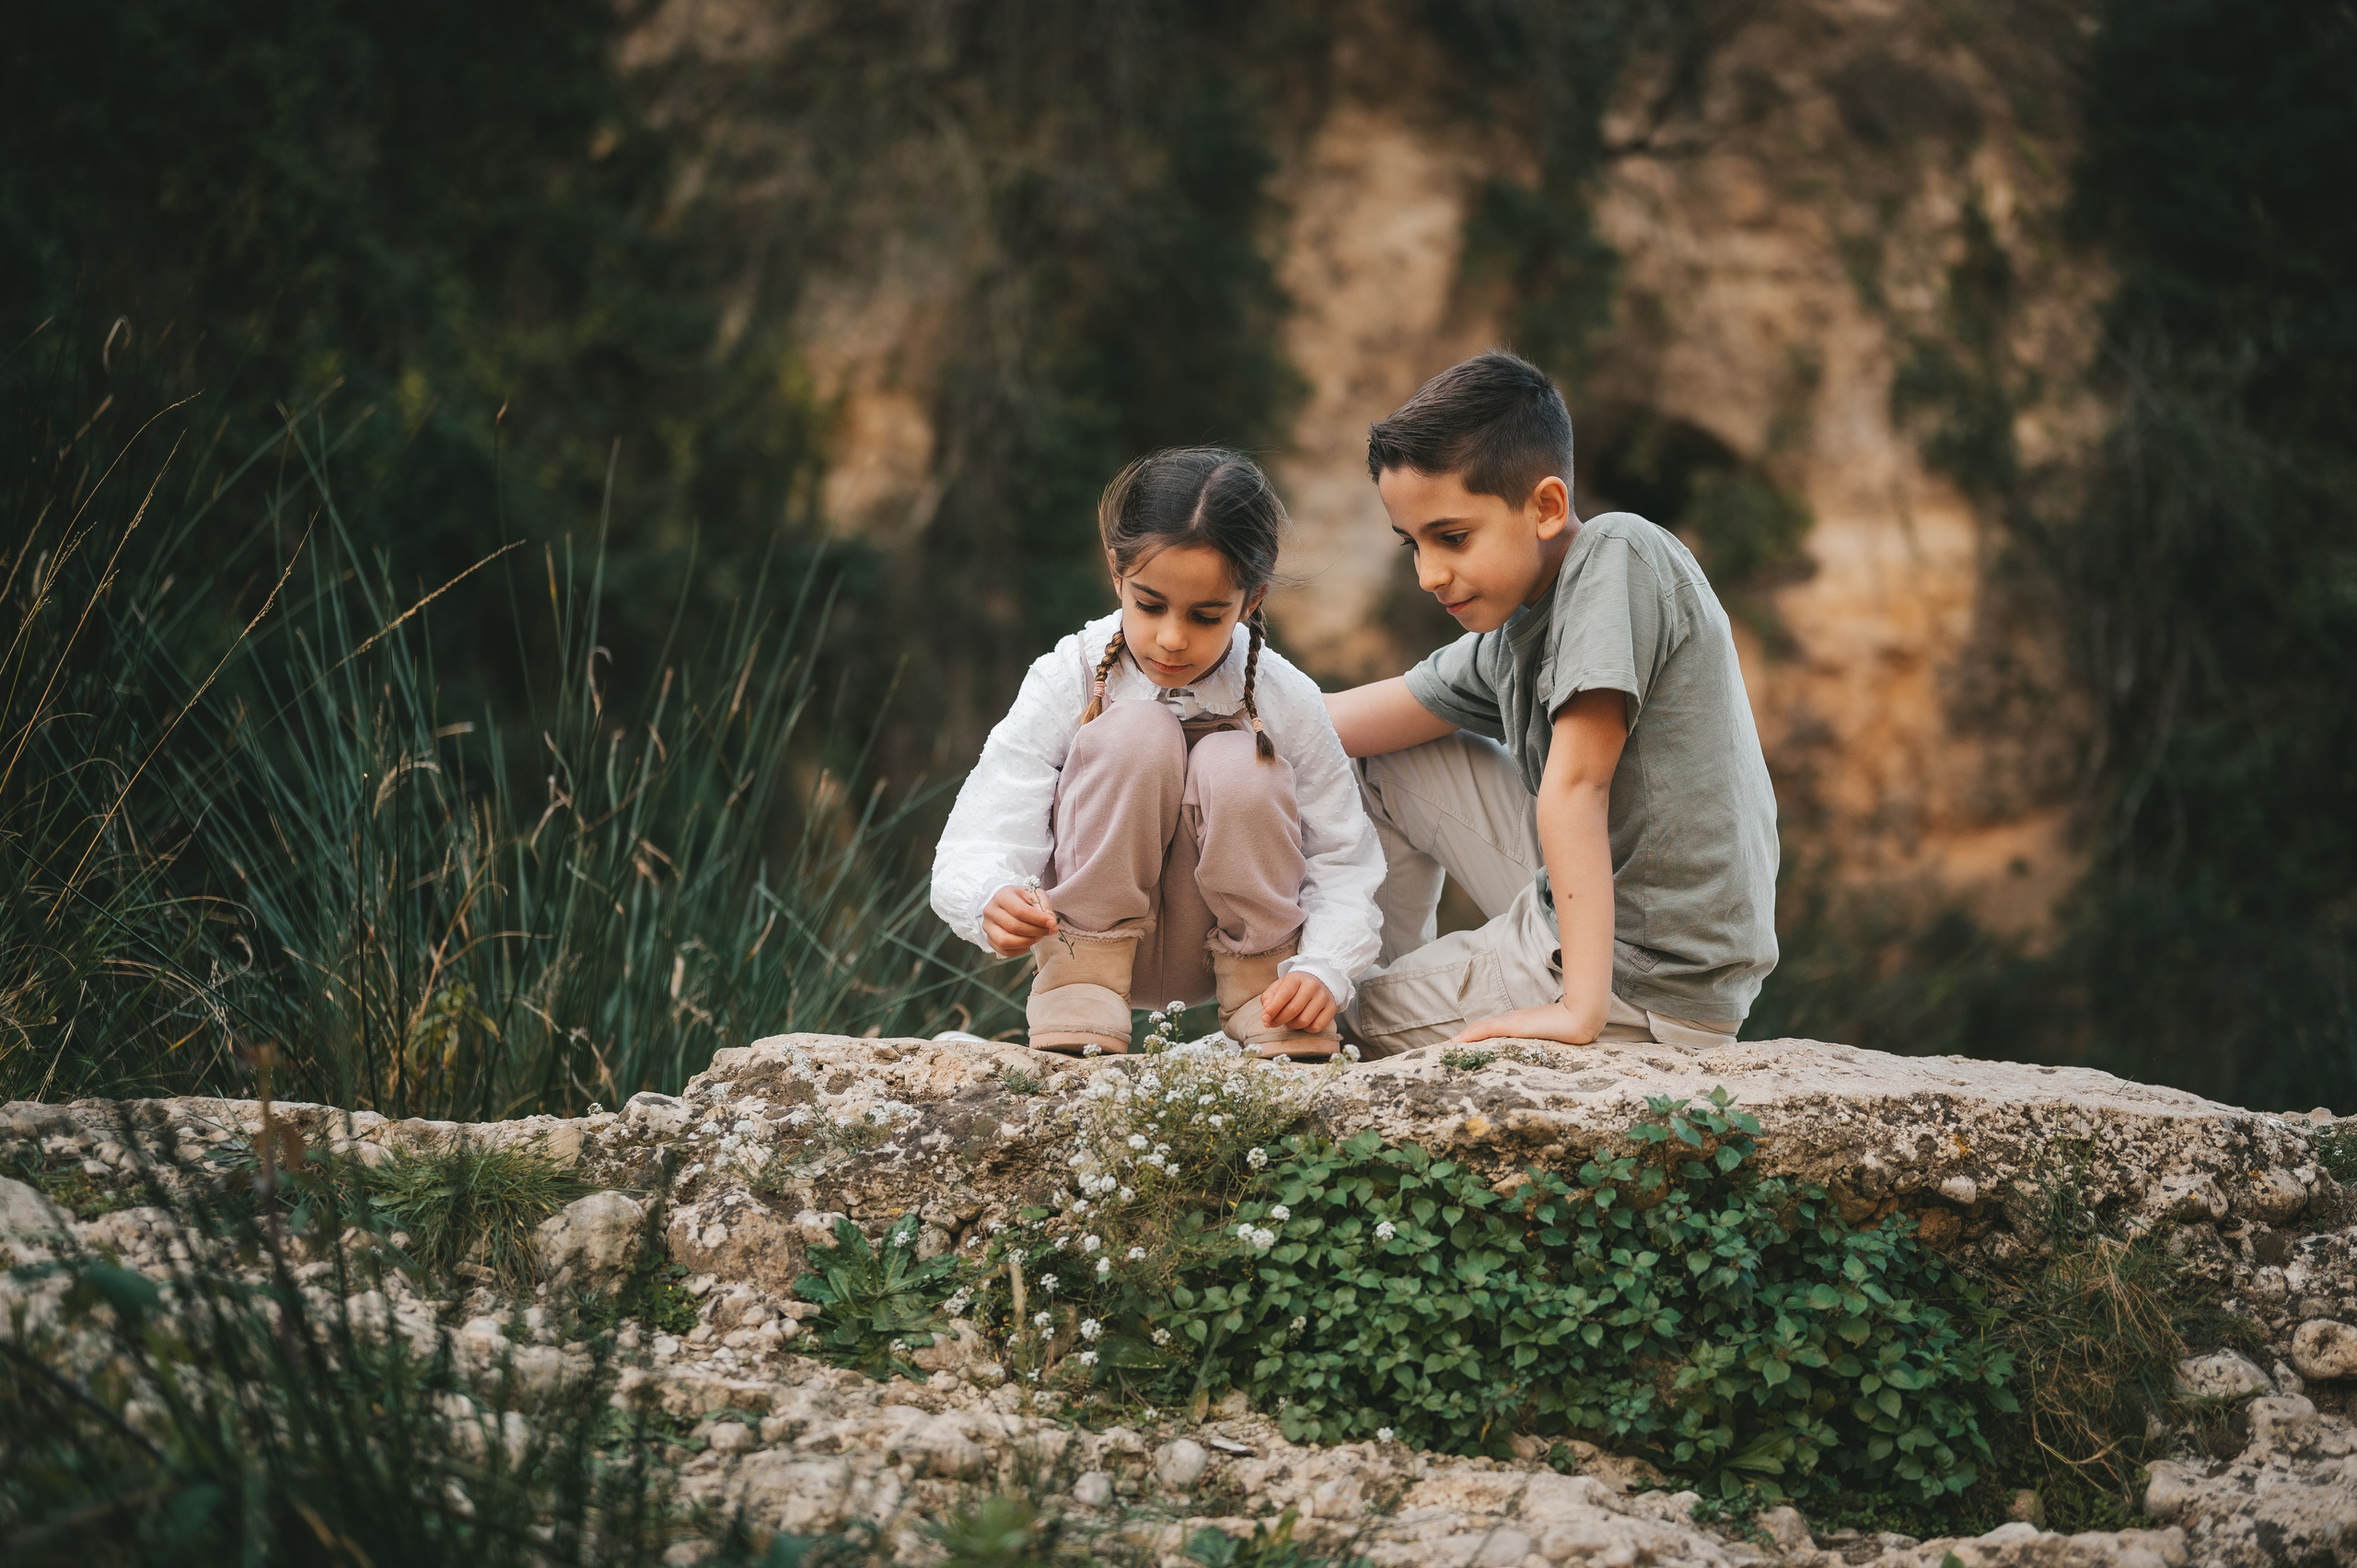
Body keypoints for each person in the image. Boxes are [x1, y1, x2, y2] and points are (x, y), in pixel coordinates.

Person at [1326, 352, 1779, 1056]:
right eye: (1412, 544)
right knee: (1376, 760)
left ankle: (1389, 1002)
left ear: (1546, 506)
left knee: (1325, 1017)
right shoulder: (1514, 627)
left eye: (1451, 537)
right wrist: (1194, 707)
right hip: (1599, 908)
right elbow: (1335, 723)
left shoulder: (1618, 552)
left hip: (1643, 973)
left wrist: (1578, 1011)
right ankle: (1388, 968)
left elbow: (1577, 785)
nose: (1428, 574)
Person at [932, 447, 1384, 1060]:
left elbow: (1343, 856)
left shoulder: (1286, 697)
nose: (1172, 638)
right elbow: (983, 827)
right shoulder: (1067, 673)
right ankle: (1080, 985)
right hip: (1088, 948)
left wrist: (1325, 967)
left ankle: (1264, 999)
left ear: (1252, 599)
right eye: (1149, 605)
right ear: (1116, 571)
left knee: (1240, 762)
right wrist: (991, 896)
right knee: (1134, 732)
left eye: (1205, 615)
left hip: (1248, 960)